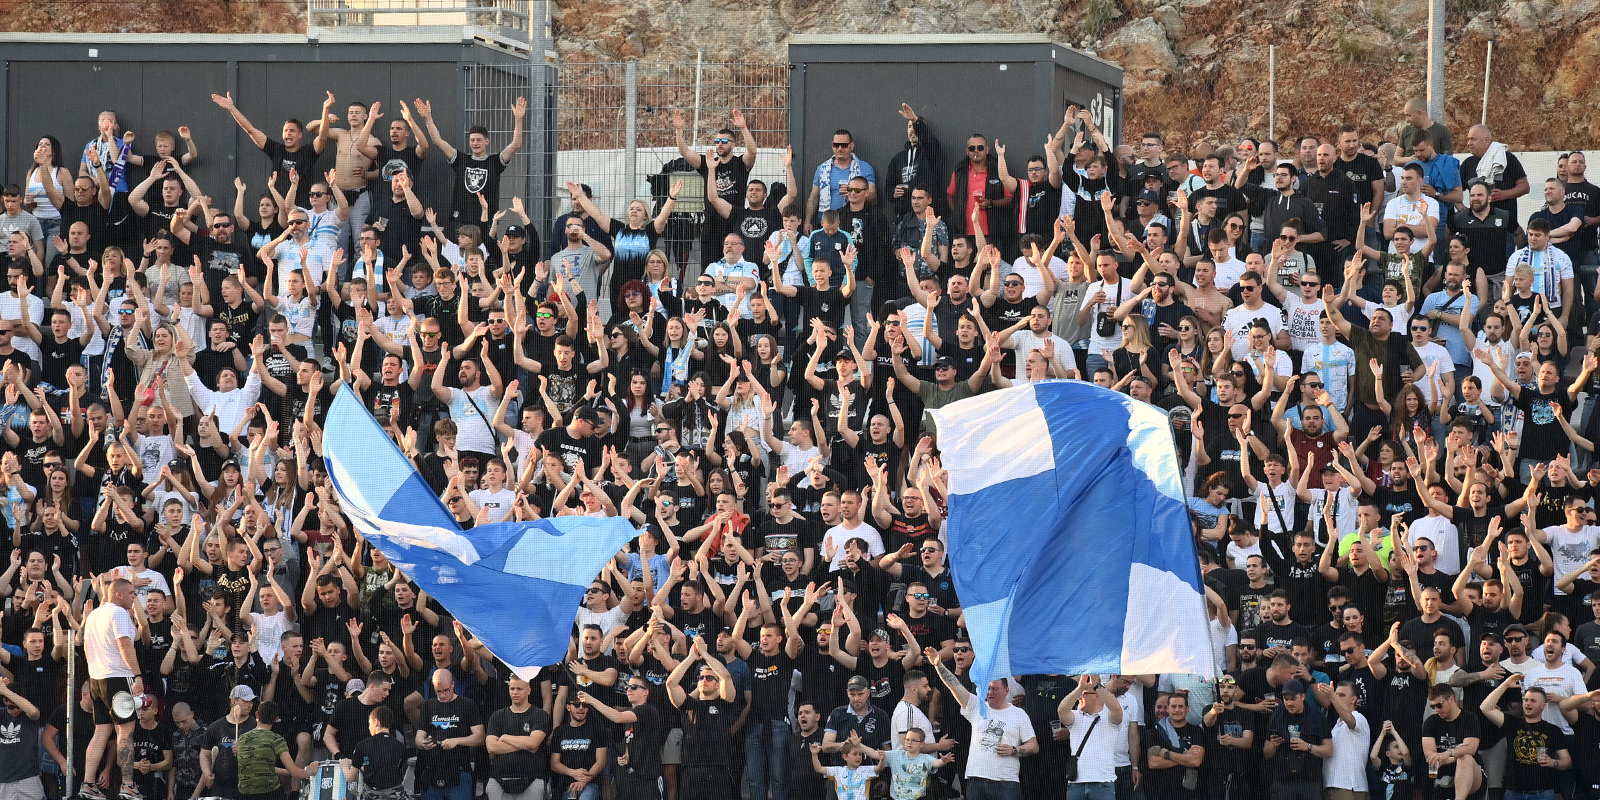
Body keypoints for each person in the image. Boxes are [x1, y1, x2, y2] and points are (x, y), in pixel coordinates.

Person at [925, 646, 1037, 800]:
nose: (990, 692)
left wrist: (1014, 750)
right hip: (976, 780)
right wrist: (938, 664)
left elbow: (1033, 746)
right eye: (988, 688)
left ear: (1006, 691)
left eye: (995, 689)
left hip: (1006, 783)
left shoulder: (1019, 714)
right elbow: (954, 686)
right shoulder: (977, 706)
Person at [80, 577, 142, 800]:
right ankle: (128, 785)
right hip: (118, 677)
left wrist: (94, 672)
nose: (134, 597)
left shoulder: (95, 614)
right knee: (125, 733)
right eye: (132, 593)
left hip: (97, 678)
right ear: (119, 594)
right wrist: (137, 675)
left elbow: (86, 648)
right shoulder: (119, 613)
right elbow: (125, 645)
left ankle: (88, 783)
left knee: (101, 732)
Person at [1477, 673, 1572, 797]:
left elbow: (1567, 761)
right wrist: (1506, 684)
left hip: (1542, 792)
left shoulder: (1553, 730)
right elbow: (1485, 708)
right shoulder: (1513, 723)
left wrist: (1553, 762)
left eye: (1533, 701)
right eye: (1526, 700)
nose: (1528, 703)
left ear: (1543, 706)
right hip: (1513, 792)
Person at [415, 669, 485, 800]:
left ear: (453, 684)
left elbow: (480, 737)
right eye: (438, 691)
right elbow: (419, 736)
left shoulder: (467, 704)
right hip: (433, 768)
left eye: (446, 690)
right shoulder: (428, 706)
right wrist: (423, 743)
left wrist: (457, 741)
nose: (442, 695)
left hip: (459, 769)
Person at [234, 701, 316, 800]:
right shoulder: (276, 740)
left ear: (257, 714)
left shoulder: (242, 738)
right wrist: (311, 772)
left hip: (244, 794)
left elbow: (259, 766)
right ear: (276, 719)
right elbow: (294, 772)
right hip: (269, 793)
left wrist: (287, 772)